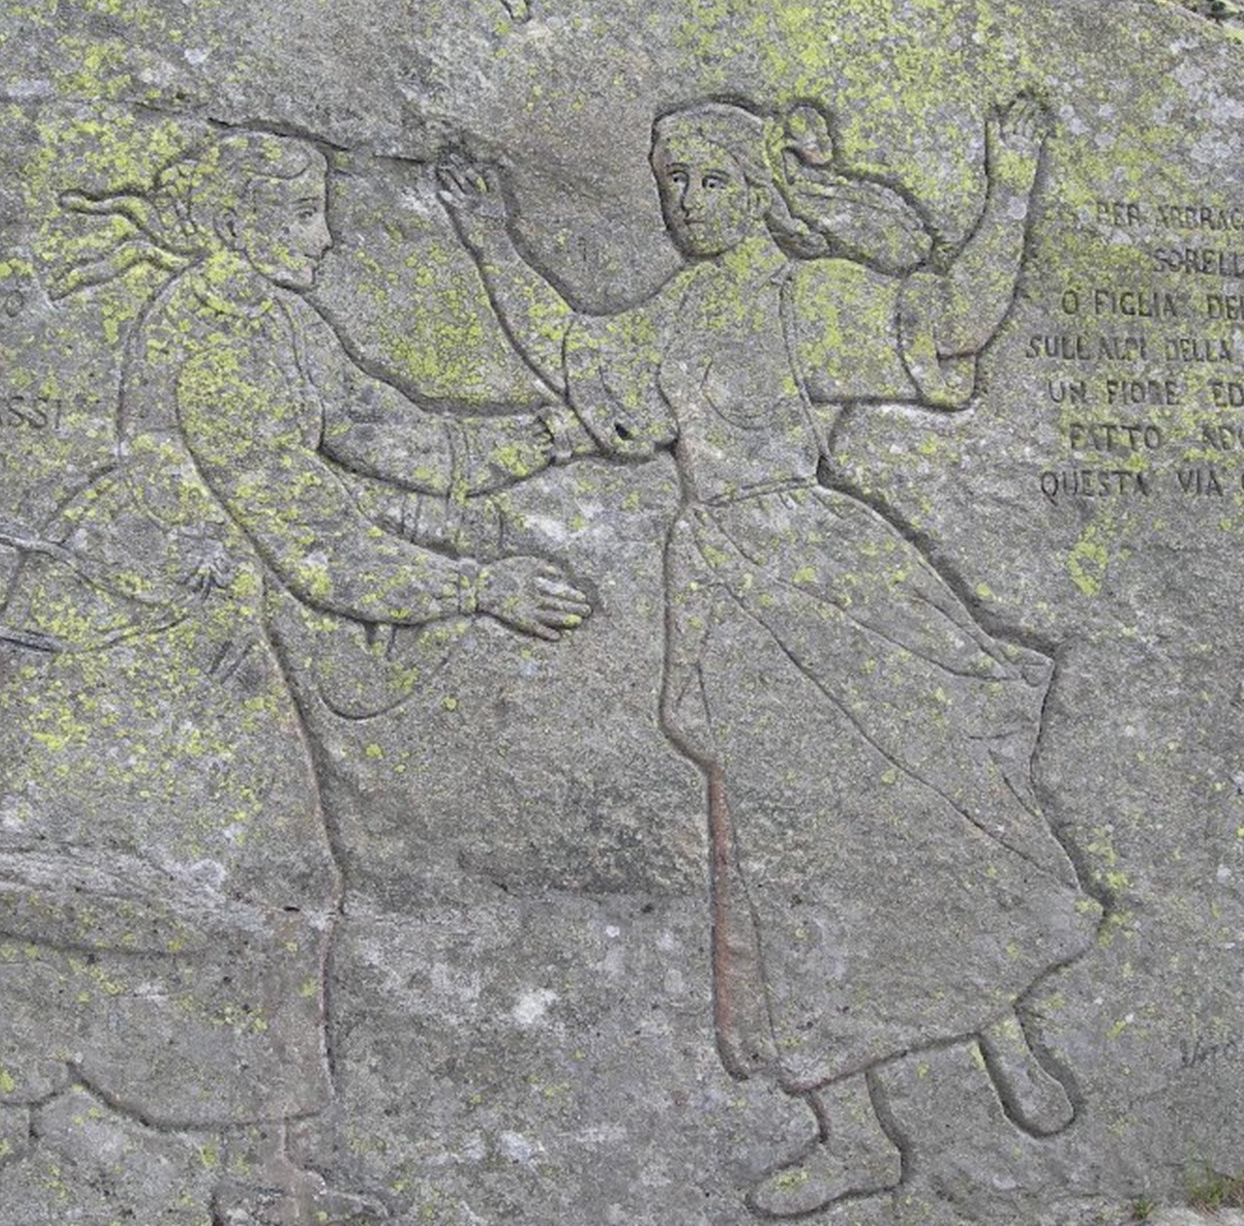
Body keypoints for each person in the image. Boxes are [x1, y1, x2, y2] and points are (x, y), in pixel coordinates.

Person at [0, 127, 592, 1224]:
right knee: (122, 883)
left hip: (193, 632)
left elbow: (387, 436)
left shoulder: (276, 319)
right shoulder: (218, 336)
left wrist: (563, 432)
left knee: (205, 888)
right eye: (305, 215)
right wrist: (477, 587)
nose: (326, 237)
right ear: (242, 222)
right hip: (130, 643)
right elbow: (309, 534)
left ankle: (218, 1163)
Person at [436, 95, 1102, 1217]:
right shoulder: (674, 315)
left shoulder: (800, 296)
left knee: (935, 801)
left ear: (760, 190)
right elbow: (577, 356)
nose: (689, 204)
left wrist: (1014, 185)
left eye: (714, 182)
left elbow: (949, 322)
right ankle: (853, 1133)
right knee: (788, 858)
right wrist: (490, 240)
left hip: (824, 571)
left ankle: (1000, 1031)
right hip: (730, 595)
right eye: (674, 184)